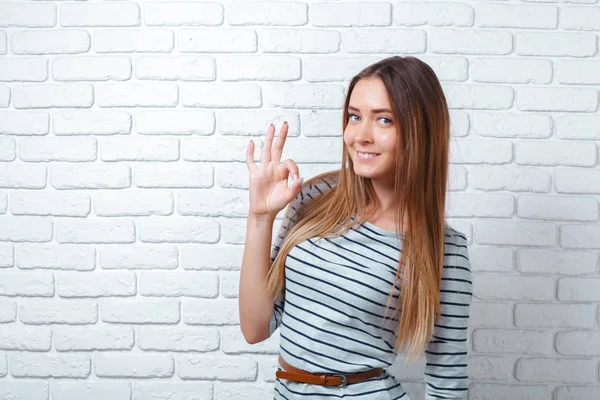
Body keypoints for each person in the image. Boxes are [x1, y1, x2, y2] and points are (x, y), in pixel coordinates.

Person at [239, 56, 473, 400]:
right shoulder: (315, 198)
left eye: (384, 120)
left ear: (421, 131)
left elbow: (447, 382)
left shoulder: (444, 250)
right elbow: (256, 327)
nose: (360, 136)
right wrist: (260, 217)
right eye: (354, 116)